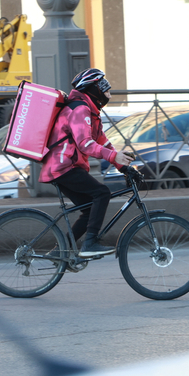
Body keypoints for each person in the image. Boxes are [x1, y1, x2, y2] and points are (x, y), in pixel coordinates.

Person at [39, 68, 134, 257]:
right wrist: (113, 157)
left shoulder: (91, 110)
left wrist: (124, 167)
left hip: (64, 167)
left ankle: (60, 251)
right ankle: (89, 243)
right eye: (104, 86)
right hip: (63, 166)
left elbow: (102, 141)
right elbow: (85, 144)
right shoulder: (80, 109)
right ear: (93, 88)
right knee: (101, 193)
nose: (109, 91)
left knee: (90, 208)